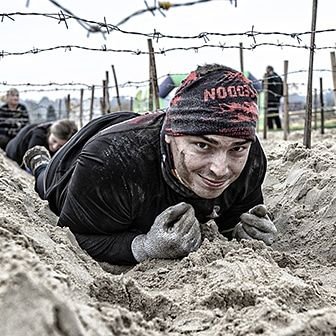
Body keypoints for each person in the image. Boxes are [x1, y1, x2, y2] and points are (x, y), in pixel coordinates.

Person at [23, 64, 277, 265]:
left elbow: (235, 222)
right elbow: (75, 235)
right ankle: (39, 161)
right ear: (171, 133)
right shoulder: (110, 160)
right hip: (85, 152)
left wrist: (247, 233)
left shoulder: (251, 158)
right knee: (46, 184)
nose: (221, 169)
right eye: (203, 145)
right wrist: (145, 247)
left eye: (236, 148)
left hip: (139, 130)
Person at [5, 119, 78, 168]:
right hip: (14, 152)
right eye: (54, 141)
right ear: (50, 132)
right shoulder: (38, 137)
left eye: (61, 146)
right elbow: (34, 163)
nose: (55, 147)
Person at [263, 66, 283, 130]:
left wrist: (265, 77)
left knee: (270, 114)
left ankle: (271, 127)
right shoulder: (278, 77)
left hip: (270, 99)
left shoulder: (269, 77)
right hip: (276, 98)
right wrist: (280, 96)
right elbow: (282, 88)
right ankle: (278, 127)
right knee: (275, 113)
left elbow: (264, 86)